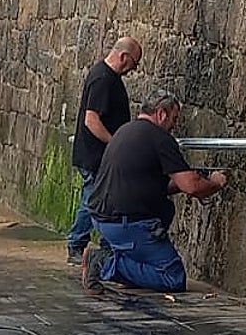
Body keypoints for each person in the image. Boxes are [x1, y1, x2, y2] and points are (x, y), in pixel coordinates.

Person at [83, 88, 226, 295]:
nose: (175, 126)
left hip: (103, 217)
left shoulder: (125, 131)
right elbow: (192, 187)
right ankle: (104, 263)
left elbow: (151, 185)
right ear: (161, 114)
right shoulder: (159, 138)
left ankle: (122, 266)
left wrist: (185, 179)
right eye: (174, 119)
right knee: (172, 277)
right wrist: (214, 183)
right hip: (127, 223)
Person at [67, 36, 142, 265]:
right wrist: (115, 143)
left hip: (98, 155)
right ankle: (77, 244)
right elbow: (92, 120)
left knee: (99, 200)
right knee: (93, 200)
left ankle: (101, 245)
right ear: (123, 56)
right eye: (134, 63)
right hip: (94, 156)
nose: (134, 69)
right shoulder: (102, 79)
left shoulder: (107, 77)